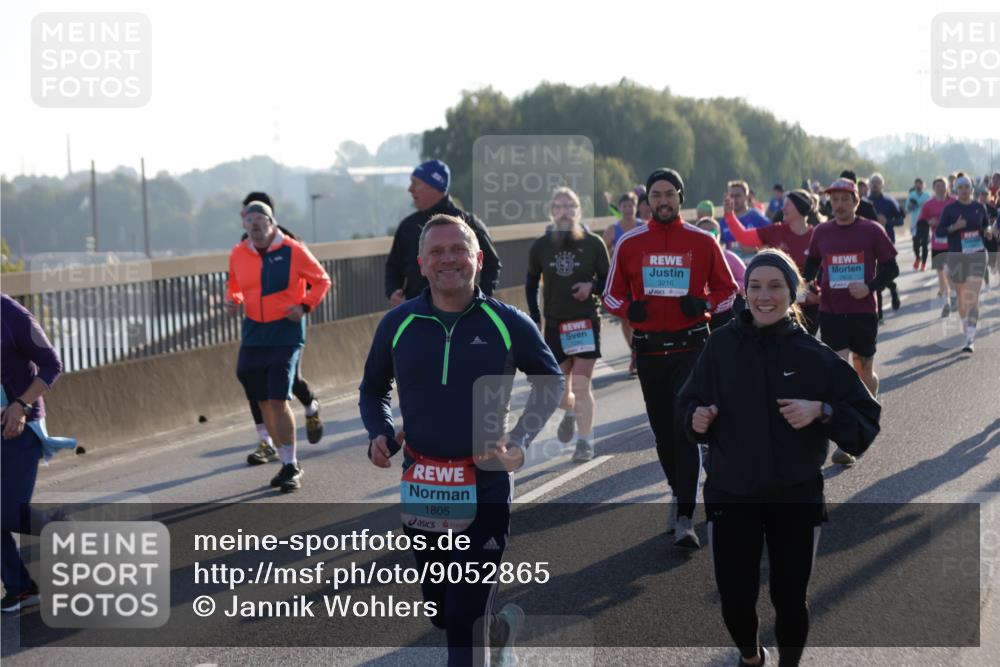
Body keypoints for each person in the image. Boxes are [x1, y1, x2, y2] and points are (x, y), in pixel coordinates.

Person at [360, 213, 562, 666]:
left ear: (478, 258)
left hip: (485, 485)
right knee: (441, 611)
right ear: (422, 263)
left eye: (457, 250)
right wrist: (378, 432)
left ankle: (483, 635)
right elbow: (373, 389)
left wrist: (521, 437)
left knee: (463, 625)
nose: (447, 259)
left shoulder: (505, 322)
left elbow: (549, 380)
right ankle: (499, 628)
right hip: (424, 485)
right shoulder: (398, 324)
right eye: (437, 251)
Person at [679, 249, 881, 667]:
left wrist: (822, 411)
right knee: (735, 597)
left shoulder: (813, 354)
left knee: (789, 599)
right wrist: (695, 418)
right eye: (755, 286)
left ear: (793, 293)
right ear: (744, 291)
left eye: (775, 286)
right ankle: (751, 658)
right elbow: (688, 406)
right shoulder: (720, 347)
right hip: (732, 493)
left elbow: (866, 417)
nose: (764, 296)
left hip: (795, 494)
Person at [604, 168, 738, 548]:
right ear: (648, 201)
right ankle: (678, 493)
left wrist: (705, 305)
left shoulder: (702, 240)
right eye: (656, 196)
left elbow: (729, 291)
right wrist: (633, 310)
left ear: (681, 198)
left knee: (685, 431)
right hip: (649, 351)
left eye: (669, 194)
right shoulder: (628, 244)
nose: (662, 201)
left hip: (692, 347)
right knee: (663, 433)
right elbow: (610, 296)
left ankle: (684, 515)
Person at [225, 201, 332, 492]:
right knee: (253, 386)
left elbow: (322, 281)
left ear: (272, 223)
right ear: (244, 225)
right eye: (249, 220)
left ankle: (291, 464)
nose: (254, 225)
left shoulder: (293, 251)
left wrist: (305, 305)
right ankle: (280, 453)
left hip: (286, 331)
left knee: (277, 397)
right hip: (253, 332)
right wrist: (233, 300)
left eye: (260, 219)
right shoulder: (238, 253)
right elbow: (234, 285)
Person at [802, 178, 897, 467]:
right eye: (836, 200)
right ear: (830, 202)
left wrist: (869, 286)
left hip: (863, 311)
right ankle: (848, 441)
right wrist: (812, 285)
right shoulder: (822, 231)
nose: (840, 205)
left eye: (846, 199)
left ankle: (869, 395)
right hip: (831, 310)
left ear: (856, 202)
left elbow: (891, 268)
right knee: (840, 371)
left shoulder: (871, 231)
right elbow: (812, 264)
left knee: (863, 369)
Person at [528, 187, 610, 462]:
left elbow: (608, 280)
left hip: (585, 321)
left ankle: (585, 442)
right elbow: (530, 283)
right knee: (561, 392)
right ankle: (570, 411)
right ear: (551, 212)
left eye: (570, 206)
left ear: (578, 211)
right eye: (559, 206)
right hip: (555, 325)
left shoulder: (593, 243)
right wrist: (533, 316)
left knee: (582, 387)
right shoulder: (541, 246)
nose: (565, 211)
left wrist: (591, 286)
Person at [1, 294, 64, 612]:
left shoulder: (12, 315)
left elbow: (53, 365)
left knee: (8, 511)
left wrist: (21, 405)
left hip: (18, 427)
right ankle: (20, 588)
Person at [386, 160, 501, 306]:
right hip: (417, 315)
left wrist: (481, 302)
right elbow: (393, 266)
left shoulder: (467, 223)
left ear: (434, 185)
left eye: (416, 183)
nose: (410, 189)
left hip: (462, 315)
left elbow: (491, 263)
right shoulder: (407, 226)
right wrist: (392, 292)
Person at [724, 189, 822, 336]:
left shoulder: (817, 235)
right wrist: (729, 215)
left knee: (804, 354)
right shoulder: (775, 231)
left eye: (787, 205)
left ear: (800, 208)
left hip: (809, 306)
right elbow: (744, 237)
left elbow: (826, 270)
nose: (782, 209)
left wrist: (819, 293)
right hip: (780, 305)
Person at [938, 175, 992, 353]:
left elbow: (985, 226)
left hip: (977, 255)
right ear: (956, 189)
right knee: (962, 298)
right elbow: (940, 231)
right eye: (960, 187)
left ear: (971, 189)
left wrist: (988, 232)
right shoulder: (950, 209)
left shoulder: (979, 207)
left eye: (966, 187)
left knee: (973, 297)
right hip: (957, 256)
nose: (963, 190)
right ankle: (964, 325)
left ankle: (970, 337)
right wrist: (955, 227)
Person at [603, 192, 646, 376]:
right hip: (621, 279)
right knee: (625, 318)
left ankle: (639, 350)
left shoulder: (642, 226)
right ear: (619, 208)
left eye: (631, 205)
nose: (628, 209)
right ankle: (633, 351)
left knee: (639, 317)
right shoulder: (612, 230)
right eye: (624, 206)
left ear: (636, 207)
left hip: (640, 279)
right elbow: (601, 253)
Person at [918, 177, 958, 318]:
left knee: (949, 272)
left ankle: (953, 296)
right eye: (938, 186)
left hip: (953, 242)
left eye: (943, 186)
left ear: (947, 187)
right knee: (941, 275)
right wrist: (930, 221)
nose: (940, 188)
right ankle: (946, 303)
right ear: (934, 188)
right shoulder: (928, 205)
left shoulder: (954, 202)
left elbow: (962, 217)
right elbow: (921, 222)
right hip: (937, 244)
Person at [696, 217, 745, 330]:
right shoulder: (691, 259)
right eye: (704, 232)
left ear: (719, 234)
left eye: (712, 232)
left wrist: (728, 288)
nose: (709, 236)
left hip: (724, 310)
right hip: (700, 310)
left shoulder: (729, 257)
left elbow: (746, 281)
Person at [867, 174, 903, 318]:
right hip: (868, 244)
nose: (875, 185)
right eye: (873, 182)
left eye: (878, 182)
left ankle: (892, 290)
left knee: (884, 272)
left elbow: (900, 220)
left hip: (887, 242)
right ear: (869, 185)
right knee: (873, 275)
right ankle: (879, 311)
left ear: (883, 185)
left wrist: (887, 222)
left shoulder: (890, 201)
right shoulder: (864, 202)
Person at [724, 181, 771, 256]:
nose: (734, 199)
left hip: (755, 264)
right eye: (732, 196)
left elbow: (774, 241)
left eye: (738, 195)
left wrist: (754, 249)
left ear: (747, 196)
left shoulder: (756, 216)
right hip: (732, 266)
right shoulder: (724, 220)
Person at [907, 179, 932, 271]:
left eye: (920, 184)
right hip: (914, 223)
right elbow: (907, 209)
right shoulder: (911, 195)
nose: (918, 186)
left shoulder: (927, 196)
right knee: (915, 244)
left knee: (925, 244)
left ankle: (924, 264)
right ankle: (918, 258)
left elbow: (931, 208)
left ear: (923, 185)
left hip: (925, 222)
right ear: (915, 185)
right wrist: (911, 206)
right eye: (917, 185)